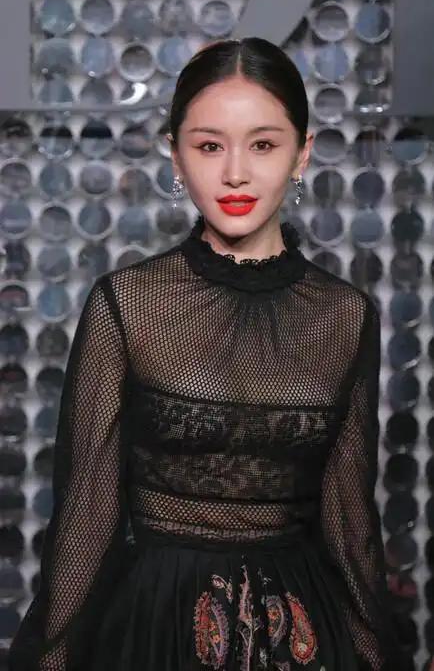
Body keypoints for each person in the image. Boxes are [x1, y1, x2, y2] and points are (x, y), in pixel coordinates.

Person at [8, 36, 406, 671]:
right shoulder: (128, 304)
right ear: (176, 154)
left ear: (302, 153)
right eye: (210, 146)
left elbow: (349, 520)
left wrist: (378, 655)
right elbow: (87, 516)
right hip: (155, 628)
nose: (235, 173)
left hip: (302, 632)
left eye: (263, 145)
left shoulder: (346, 315)